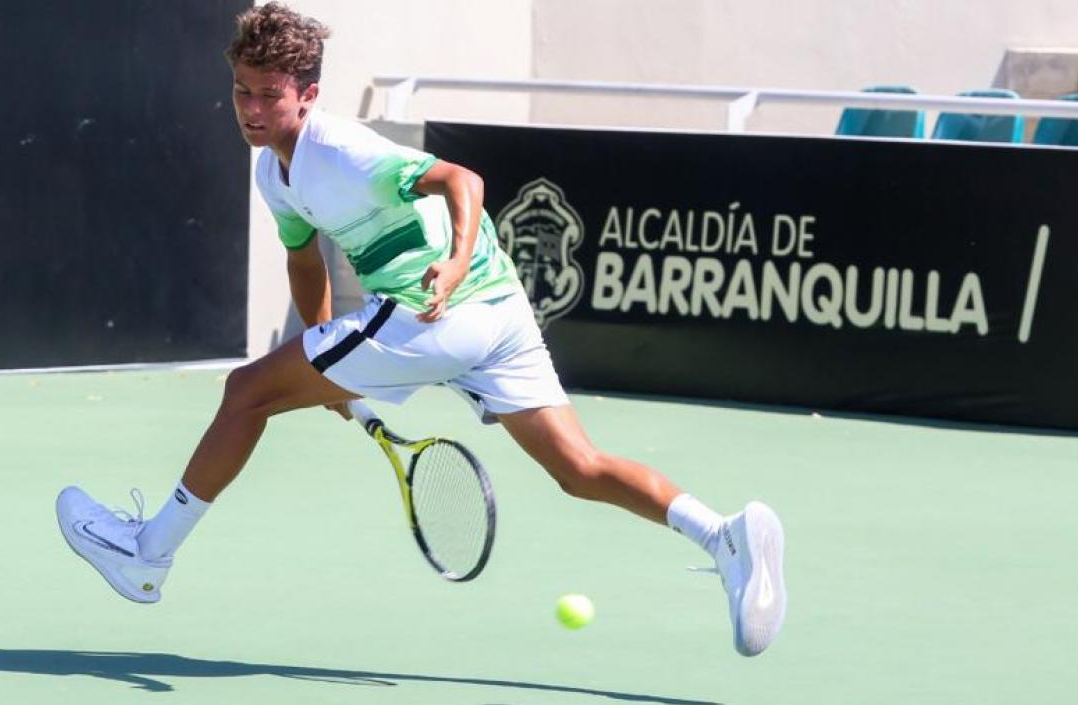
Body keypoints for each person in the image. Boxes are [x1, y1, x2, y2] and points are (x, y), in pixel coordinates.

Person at [55, 2, 787, 657]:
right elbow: (304, 260)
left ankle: (149, 553)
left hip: (439, 308)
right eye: (241, 91)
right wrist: (321, 356)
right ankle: (723, 535)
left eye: (268, 95)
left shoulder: (342, 150)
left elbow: (461, 180)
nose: (250, 108)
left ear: (308, 95)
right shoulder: (275, 175)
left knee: (246, 390)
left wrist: (450, 264)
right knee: (578, 468)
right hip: (499, 314)